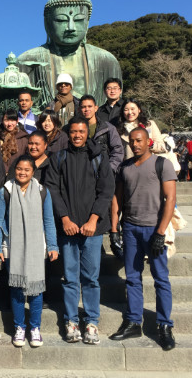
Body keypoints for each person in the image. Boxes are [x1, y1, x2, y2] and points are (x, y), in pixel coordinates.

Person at [45, 116, 115, 345]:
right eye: (73, 131)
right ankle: (71, 320)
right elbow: (52, 190)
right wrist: (64, 218)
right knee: (70, 277)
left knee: (91, 277)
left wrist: (94, 219)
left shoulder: (98, 157)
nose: (77, 135)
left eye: (81, 131)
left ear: (87, 133)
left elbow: (106, 190)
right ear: (69, 133)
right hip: (68, 228)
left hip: (92, 229)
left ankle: (92, 320)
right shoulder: (59, 157)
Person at [109, 127, 177, 351]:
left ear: (148, 142)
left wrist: (161, 232)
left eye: (140, 141)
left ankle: (164, 325)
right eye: (132, 141)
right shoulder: (124, 167)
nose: (135, 144)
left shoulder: (161, 164)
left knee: (161, 279)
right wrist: (114, 228)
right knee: (133, 278)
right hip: (131, 228)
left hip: (154, 228)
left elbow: (170, 199)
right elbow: (117, 199)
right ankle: (133, 321)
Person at [0, 155, 58, 348]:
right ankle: (19, 327)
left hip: (38, 247)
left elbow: (49, 221)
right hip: (12, 247)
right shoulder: (6, 190)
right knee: (17, 289)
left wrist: (53, 246)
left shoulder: (42, 191)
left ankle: (35, 327)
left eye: (26, 170)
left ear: (33, 171)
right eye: (19, 169)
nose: (22, 172)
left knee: (37, 290)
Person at [17, 0, 121, 109]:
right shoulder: (27, 61)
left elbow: (115, 104)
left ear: (87, 23)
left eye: (78, 20)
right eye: (61, 20)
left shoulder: (106, 61)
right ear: (48, 23)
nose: (70, 27)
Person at [79, 95, 124, 173]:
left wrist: (109, 169)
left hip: (103, 172)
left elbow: (117, 150)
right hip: (81, 172)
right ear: (79, 109)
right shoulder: (74, 129)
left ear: (96, 108)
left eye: (90, 106)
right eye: (83, 107)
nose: (87, 109)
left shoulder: (107, 128)